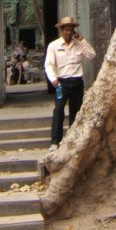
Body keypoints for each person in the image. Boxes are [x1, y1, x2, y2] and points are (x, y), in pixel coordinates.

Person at [44, 16, 95, 148]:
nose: (68, 32)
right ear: (62, 30)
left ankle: (73, 140)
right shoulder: (53, 46)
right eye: (66, 30)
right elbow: (49, 65)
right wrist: (53, 79)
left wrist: (82, 40)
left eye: (70, 30)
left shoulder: (78, 44)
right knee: (59, 109)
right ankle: (55, 141)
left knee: (76, 112)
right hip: (62, 83)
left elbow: (92, 55)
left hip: (77, 82)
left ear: (73, 31)